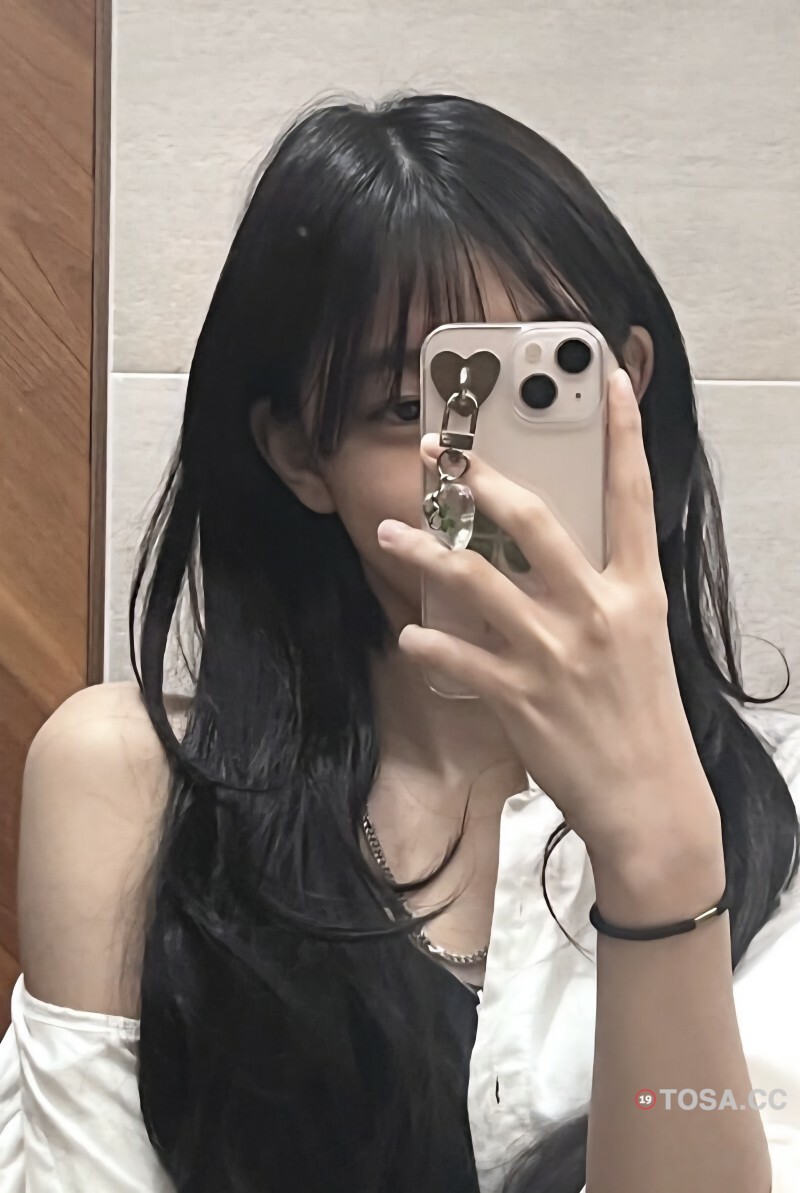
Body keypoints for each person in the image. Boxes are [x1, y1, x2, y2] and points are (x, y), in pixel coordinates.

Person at [1, 92, 799, 1193]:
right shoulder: (134, 785)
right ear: (299, 455)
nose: (480, 466)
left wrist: (658, 853)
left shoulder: (778, 812)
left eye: (540, 389)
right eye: (402, 403)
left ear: (627, 384)